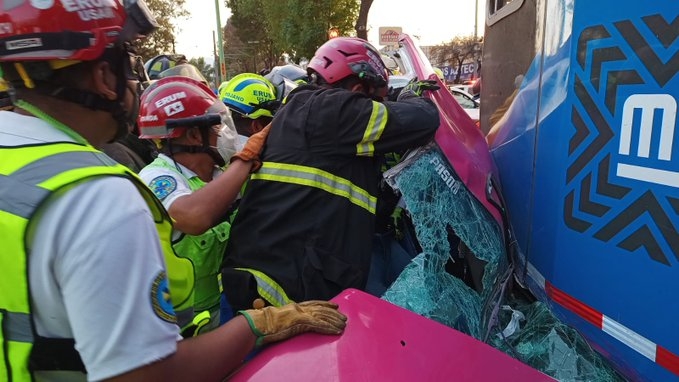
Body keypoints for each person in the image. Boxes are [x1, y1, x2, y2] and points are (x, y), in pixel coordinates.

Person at [0, 2, 346, 380]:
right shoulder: (97, 194)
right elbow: (150, 375)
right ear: (103, 76)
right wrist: (256, 326)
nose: (133, 82)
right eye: (128, 64)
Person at [221, 37, 441, 312]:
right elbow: (423, 119)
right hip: (271, 301)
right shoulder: (330, 110)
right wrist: (411, 97)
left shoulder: (310, 115)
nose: (379, 106)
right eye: (376, 100)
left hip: (272, 291)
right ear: (358, 89)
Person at [137, 75, 264, 334]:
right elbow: (193, 217)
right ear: (195, 135)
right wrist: (246, 159)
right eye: (218, 128)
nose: (228, 136)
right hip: (182, 325)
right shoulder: (157, 178)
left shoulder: (220, 175)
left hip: (227, 309)